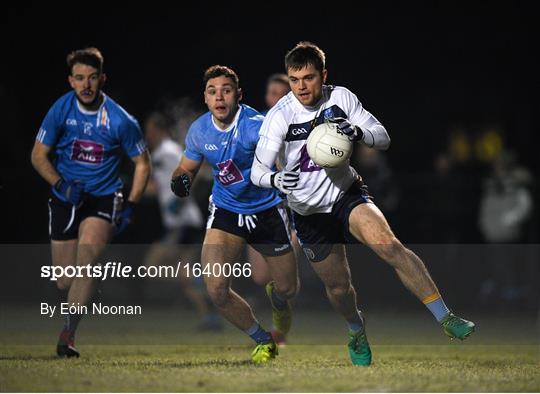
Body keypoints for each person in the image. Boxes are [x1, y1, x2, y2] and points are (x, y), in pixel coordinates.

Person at [251, 41, 475, 366]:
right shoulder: (280, 115)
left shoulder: (341, 97)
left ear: (323, 75)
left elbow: (382, 136)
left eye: (309, 78)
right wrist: (273, 180)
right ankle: (356, 329)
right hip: (309, 214)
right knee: (340, 289)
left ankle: (446, 317)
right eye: (295, 79)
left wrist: (358, 131)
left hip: (347, 195)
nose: (301, 86)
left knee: (390, 246)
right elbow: (258, 170)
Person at [170, 65, 299, 364]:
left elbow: (279, 165)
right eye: (213, 91)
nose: (219, 97)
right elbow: (186, 167)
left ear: (238, 95)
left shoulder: (256, 125)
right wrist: (180, 180)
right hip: (226, 212)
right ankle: (263, 339)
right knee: (215, 288)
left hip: (267, 211)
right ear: (205, 97)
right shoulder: (200, 129)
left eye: (226, 90)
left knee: (287, 289)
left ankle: (278, 300)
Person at [30, 47, 151, 358]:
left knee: (87, 261)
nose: (86, 85)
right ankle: (77, 299)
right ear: (71, 81)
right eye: (80, 78)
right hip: (65, 197)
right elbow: (38, 155)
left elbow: (142, 163)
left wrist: (132, 205)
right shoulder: (60, 110)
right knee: (63, 280)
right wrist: (61, 184)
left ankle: (67, 335)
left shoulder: (121, 120)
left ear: (102, 79)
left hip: (104, 196)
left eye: (92, 78)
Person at [143, 111, 222, 330]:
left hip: (183, 222)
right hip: (182, 222)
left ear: (159, 130)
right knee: (184, 276)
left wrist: (179, 200)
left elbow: (192, 174)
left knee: (150, 267)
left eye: (150, 130)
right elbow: (157, 187)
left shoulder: (169, 151)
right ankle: (210, 318)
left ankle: (202, 284)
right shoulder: (161, 153)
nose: (147, 135)